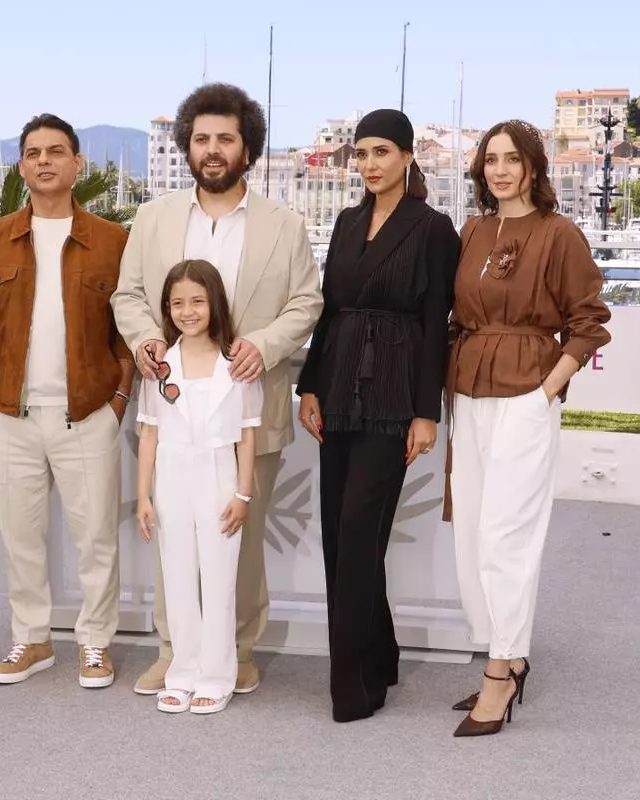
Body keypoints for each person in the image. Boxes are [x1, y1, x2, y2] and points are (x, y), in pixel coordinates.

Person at [112, 83, 322, 696]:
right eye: (201, 138)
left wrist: (266, 345)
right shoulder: (152, 219)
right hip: (173, 409)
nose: (212, 148)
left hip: (248, 407)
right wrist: (146, 341)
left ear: (247, 148)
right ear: (186, 147)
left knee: (241, 536)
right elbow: (127, 295)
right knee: (173, 535)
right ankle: (175, 651)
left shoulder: (284, 225)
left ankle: (237, 648)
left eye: (225, 138)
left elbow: (307, 301)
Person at [445, 119, 611, 737]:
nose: (500, 169)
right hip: (467, 392)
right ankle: (505, 649)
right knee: (470, 538)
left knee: (506, 536)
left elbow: (589, 321)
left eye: (512, 159)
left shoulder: (559, 233)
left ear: (534, 167)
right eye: (490, 160)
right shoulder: (473, 231)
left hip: (524, 395)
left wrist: (547, 389)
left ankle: (500, 674)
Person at [295, 109, 460, 722]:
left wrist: (425, 413)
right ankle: (383, 653)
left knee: (361, 534)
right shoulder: (345, 222)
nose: (369, 164)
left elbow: (436, 324)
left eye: (381, 152)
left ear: (409, 156)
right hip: (337, 386)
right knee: (339, 533)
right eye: (361, 153)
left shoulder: (435, 228)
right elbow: (328, 312)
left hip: (393, 397)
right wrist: (309, 388)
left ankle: (355, 686)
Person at [0, 114, 133, 689]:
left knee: (96, 539)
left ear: (76, 164)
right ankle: (32, 639)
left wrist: (118, 397)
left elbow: (125, 326)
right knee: (20, 535)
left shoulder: (113, 239)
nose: (44, 161)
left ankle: (94, 643)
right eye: (33, 152)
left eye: (56, 151)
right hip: (10, 414)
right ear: (20, 166)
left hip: (87, 413)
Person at [136, 260, 264, 715]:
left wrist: (243, 494)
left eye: (196, 301)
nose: (187, 311)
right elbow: (148, 431)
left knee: (218, 577)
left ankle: (216, 676)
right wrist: (143, 496)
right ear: (167, 310)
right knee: (177, 577)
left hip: (219, 475)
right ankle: (183, 673)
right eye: (177, 303)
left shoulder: (237, 363)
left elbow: (247, 434)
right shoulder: (159, 366)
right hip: (170, 474)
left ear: (214, 303)